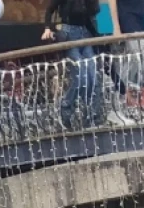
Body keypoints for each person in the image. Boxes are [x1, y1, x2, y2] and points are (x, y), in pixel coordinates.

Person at [43, 0, 105, 129]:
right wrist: (47, 28)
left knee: (93, 76)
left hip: (85, 34)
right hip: (69, 34)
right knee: (81, 77)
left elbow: (88, 17)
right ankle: (66, 107)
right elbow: (49, 9)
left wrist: (97, 37)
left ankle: (92, 115)